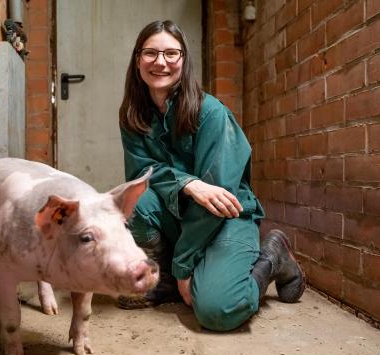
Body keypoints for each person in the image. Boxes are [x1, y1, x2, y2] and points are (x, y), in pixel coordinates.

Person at [117, 20, 306, 331]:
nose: (160, 62)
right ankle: (161, 281)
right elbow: (140, 175)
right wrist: (187, 183)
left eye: (171, 53)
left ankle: (271, 257)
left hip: (225, 220)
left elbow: (218, 199)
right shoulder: (133, 115)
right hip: (180, 216)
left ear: (184, 60)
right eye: (150, 52)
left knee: (218, 310)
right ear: (138, 59)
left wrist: (183, 268)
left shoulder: (210, 112)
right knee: (131, 201)